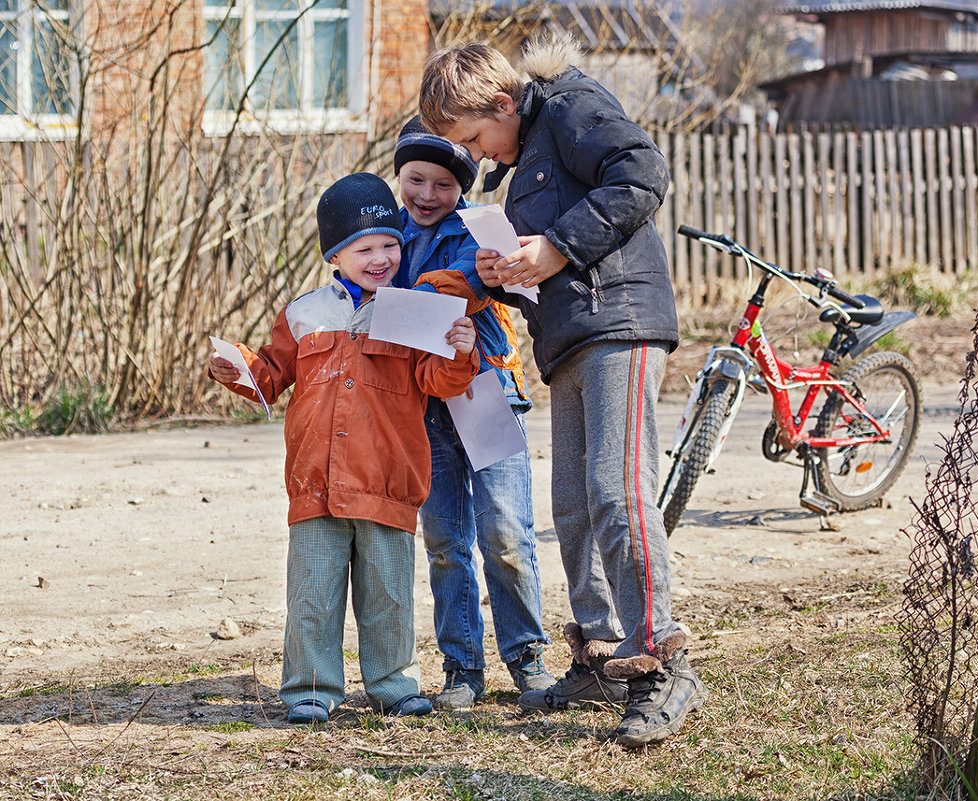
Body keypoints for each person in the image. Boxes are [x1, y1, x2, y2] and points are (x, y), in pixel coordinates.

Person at [418, 35, 707, 747]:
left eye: (475, 136)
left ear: (503, 102)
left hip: (624, 325)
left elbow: (641, 173)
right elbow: (547, 267)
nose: (478, 154)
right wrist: (503, 271)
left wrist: (552, 247)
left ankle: (662, 664)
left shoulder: (571, 104)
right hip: (568, 342)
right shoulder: (521, 173)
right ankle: (604, 657)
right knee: (573, 504)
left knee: (617, 490)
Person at [207, 172, 479, 724]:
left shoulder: (414, 311)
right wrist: (234, 369)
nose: (380, 258)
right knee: (312, 597)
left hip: (388, 482)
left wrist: (458, 349)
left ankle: (392, 684)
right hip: (315, 484)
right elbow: (269, 375)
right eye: (364, 248)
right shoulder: (303, 314)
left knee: (389, 597)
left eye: (389, 245)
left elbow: (440, 381)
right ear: (335, 256)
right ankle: (311, 688)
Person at [391, 116, 553, 711]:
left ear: (462, 188)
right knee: (443, 540)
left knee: (506, 532)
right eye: (416, 180)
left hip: (486, 391)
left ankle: (527, 655)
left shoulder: (475, 231)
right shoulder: (388, 239)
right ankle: (462, 667)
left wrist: (424, 296)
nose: (427, 195)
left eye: (442, 184)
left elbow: (470, 281)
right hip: (424, 408)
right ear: (399, 177)